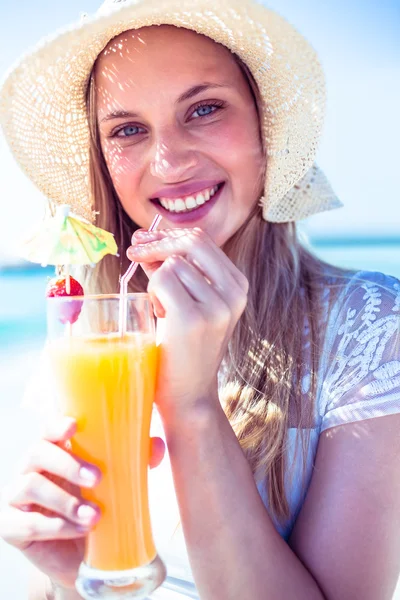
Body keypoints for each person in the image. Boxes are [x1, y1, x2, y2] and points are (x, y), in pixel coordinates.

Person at [0, 0, 399, 598]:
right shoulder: (94, 333)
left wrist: (190, 408)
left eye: (205, 109)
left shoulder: (370, 327)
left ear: (267, 133)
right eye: (128, 129)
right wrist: (68, 578)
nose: (171, 161)